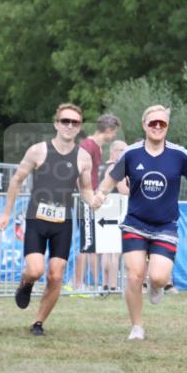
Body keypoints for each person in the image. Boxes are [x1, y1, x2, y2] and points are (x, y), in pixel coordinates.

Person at [94, 105, 187, 341]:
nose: (157, 126)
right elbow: (112, 177)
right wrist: (101, 194)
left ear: (167, 126)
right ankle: (137, 326)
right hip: (135, 223)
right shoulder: (131, 153)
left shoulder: (179, 154)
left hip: (165, 226)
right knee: (134, 275)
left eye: (162, 123)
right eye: (153, 123)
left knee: (158, 276)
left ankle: (157, 285)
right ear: (144, 125)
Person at [0, 103, 98, 335]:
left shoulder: (83, 157)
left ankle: (38, 322)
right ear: (56, 124)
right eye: (65, 121)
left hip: (63, 222)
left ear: (79, 127)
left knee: (56, 274)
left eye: (74, 122)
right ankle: (26, 283)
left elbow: (86, 189)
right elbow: (16, 180)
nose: (69, 125)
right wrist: (6, 213)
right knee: (35, 270)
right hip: (37, 219)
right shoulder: (38, 150)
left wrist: (93, 201)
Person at [73, 113, 121, 292]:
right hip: (85, 199)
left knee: (90, 243)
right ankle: (78, 284)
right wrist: (87, 196)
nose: (114, 135)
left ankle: (86, 283)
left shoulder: (96, 147)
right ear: (108, 130)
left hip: (91, 198)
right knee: (86, 244)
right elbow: (78, 173)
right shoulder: (88, 146)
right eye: (114, 132)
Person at [99, 140, 130, 294]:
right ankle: (113, 286)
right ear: (114, 151)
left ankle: (105, 285)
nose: (126, 152)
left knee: (106, 250)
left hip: (105, 209)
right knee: (115, 252)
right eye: (123, 150)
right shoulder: (116, 167)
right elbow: (123, 189)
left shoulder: (105, 167)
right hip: (115, 210)